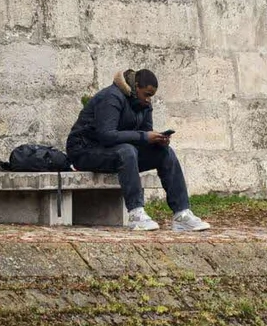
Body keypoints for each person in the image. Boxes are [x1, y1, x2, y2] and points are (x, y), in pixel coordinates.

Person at [66, 69, 210, 231]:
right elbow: (106, 135)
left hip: (117, 153)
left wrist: (157, 141)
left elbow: (144, 135)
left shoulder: (143, 104)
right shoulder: (111, 97)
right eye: (147, 94)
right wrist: (144, 137)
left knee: (165, 153)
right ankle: (136, 213)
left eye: (152, 96)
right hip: (85, 151)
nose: (149, 100)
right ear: (135, 87)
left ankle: (182, 215)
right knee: (127, 151)